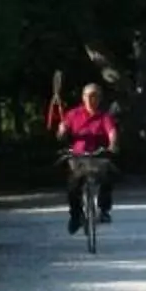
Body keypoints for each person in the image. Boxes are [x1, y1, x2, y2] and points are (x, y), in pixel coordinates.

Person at [50, 81, 120, 232]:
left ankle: (104, 210)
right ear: (83, 97)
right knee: (72, 186)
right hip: (78, 156)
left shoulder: (104, 117)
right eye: (88, 96)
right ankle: (76, 216)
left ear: (99, 98)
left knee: (109, 176)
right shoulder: (73, 114)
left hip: (98, 155)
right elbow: (61, 135)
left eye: (94, 96)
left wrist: (112, 144)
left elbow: (112, 132)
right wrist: (61, 130)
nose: (90, 99)